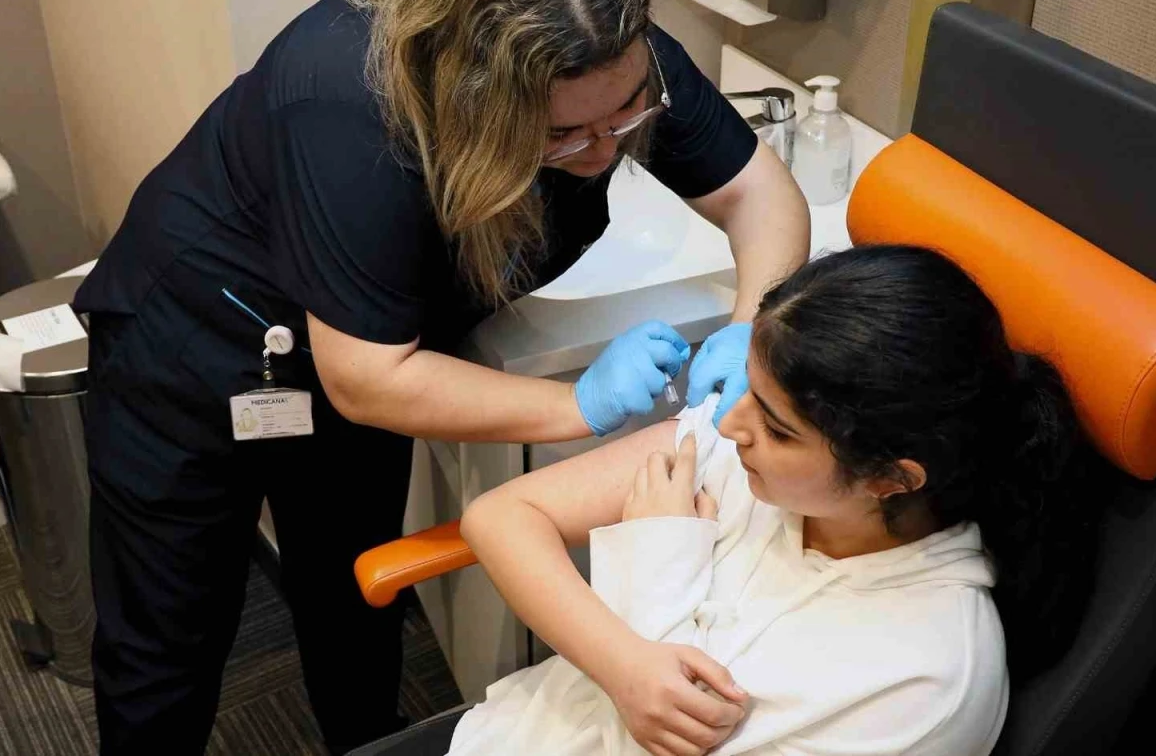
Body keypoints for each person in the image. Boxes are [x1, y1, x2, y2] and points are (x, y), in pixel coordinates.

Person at [73, 0, 810, 756]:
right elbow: (366, 380)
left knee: (354, 588)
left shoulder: (612, 61)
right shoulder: (351, 104)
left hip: (379, 341)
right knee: (170, 631)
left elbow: (759, 194)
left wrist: (753, 328)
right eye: (566, 136)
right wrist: (579, 405)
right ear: (477, 94)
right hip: (200, 345)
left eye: (627, 118)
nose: (607, 151)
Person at [450, 245, 1102, 756]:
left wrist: (657, 567)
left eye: (777, 427)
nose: (730, 423)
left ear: (890, 479)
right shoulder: (754, 458)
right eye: (748, 390)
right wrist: (624, 665)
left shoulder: (921, 682)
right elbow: (501, 516)